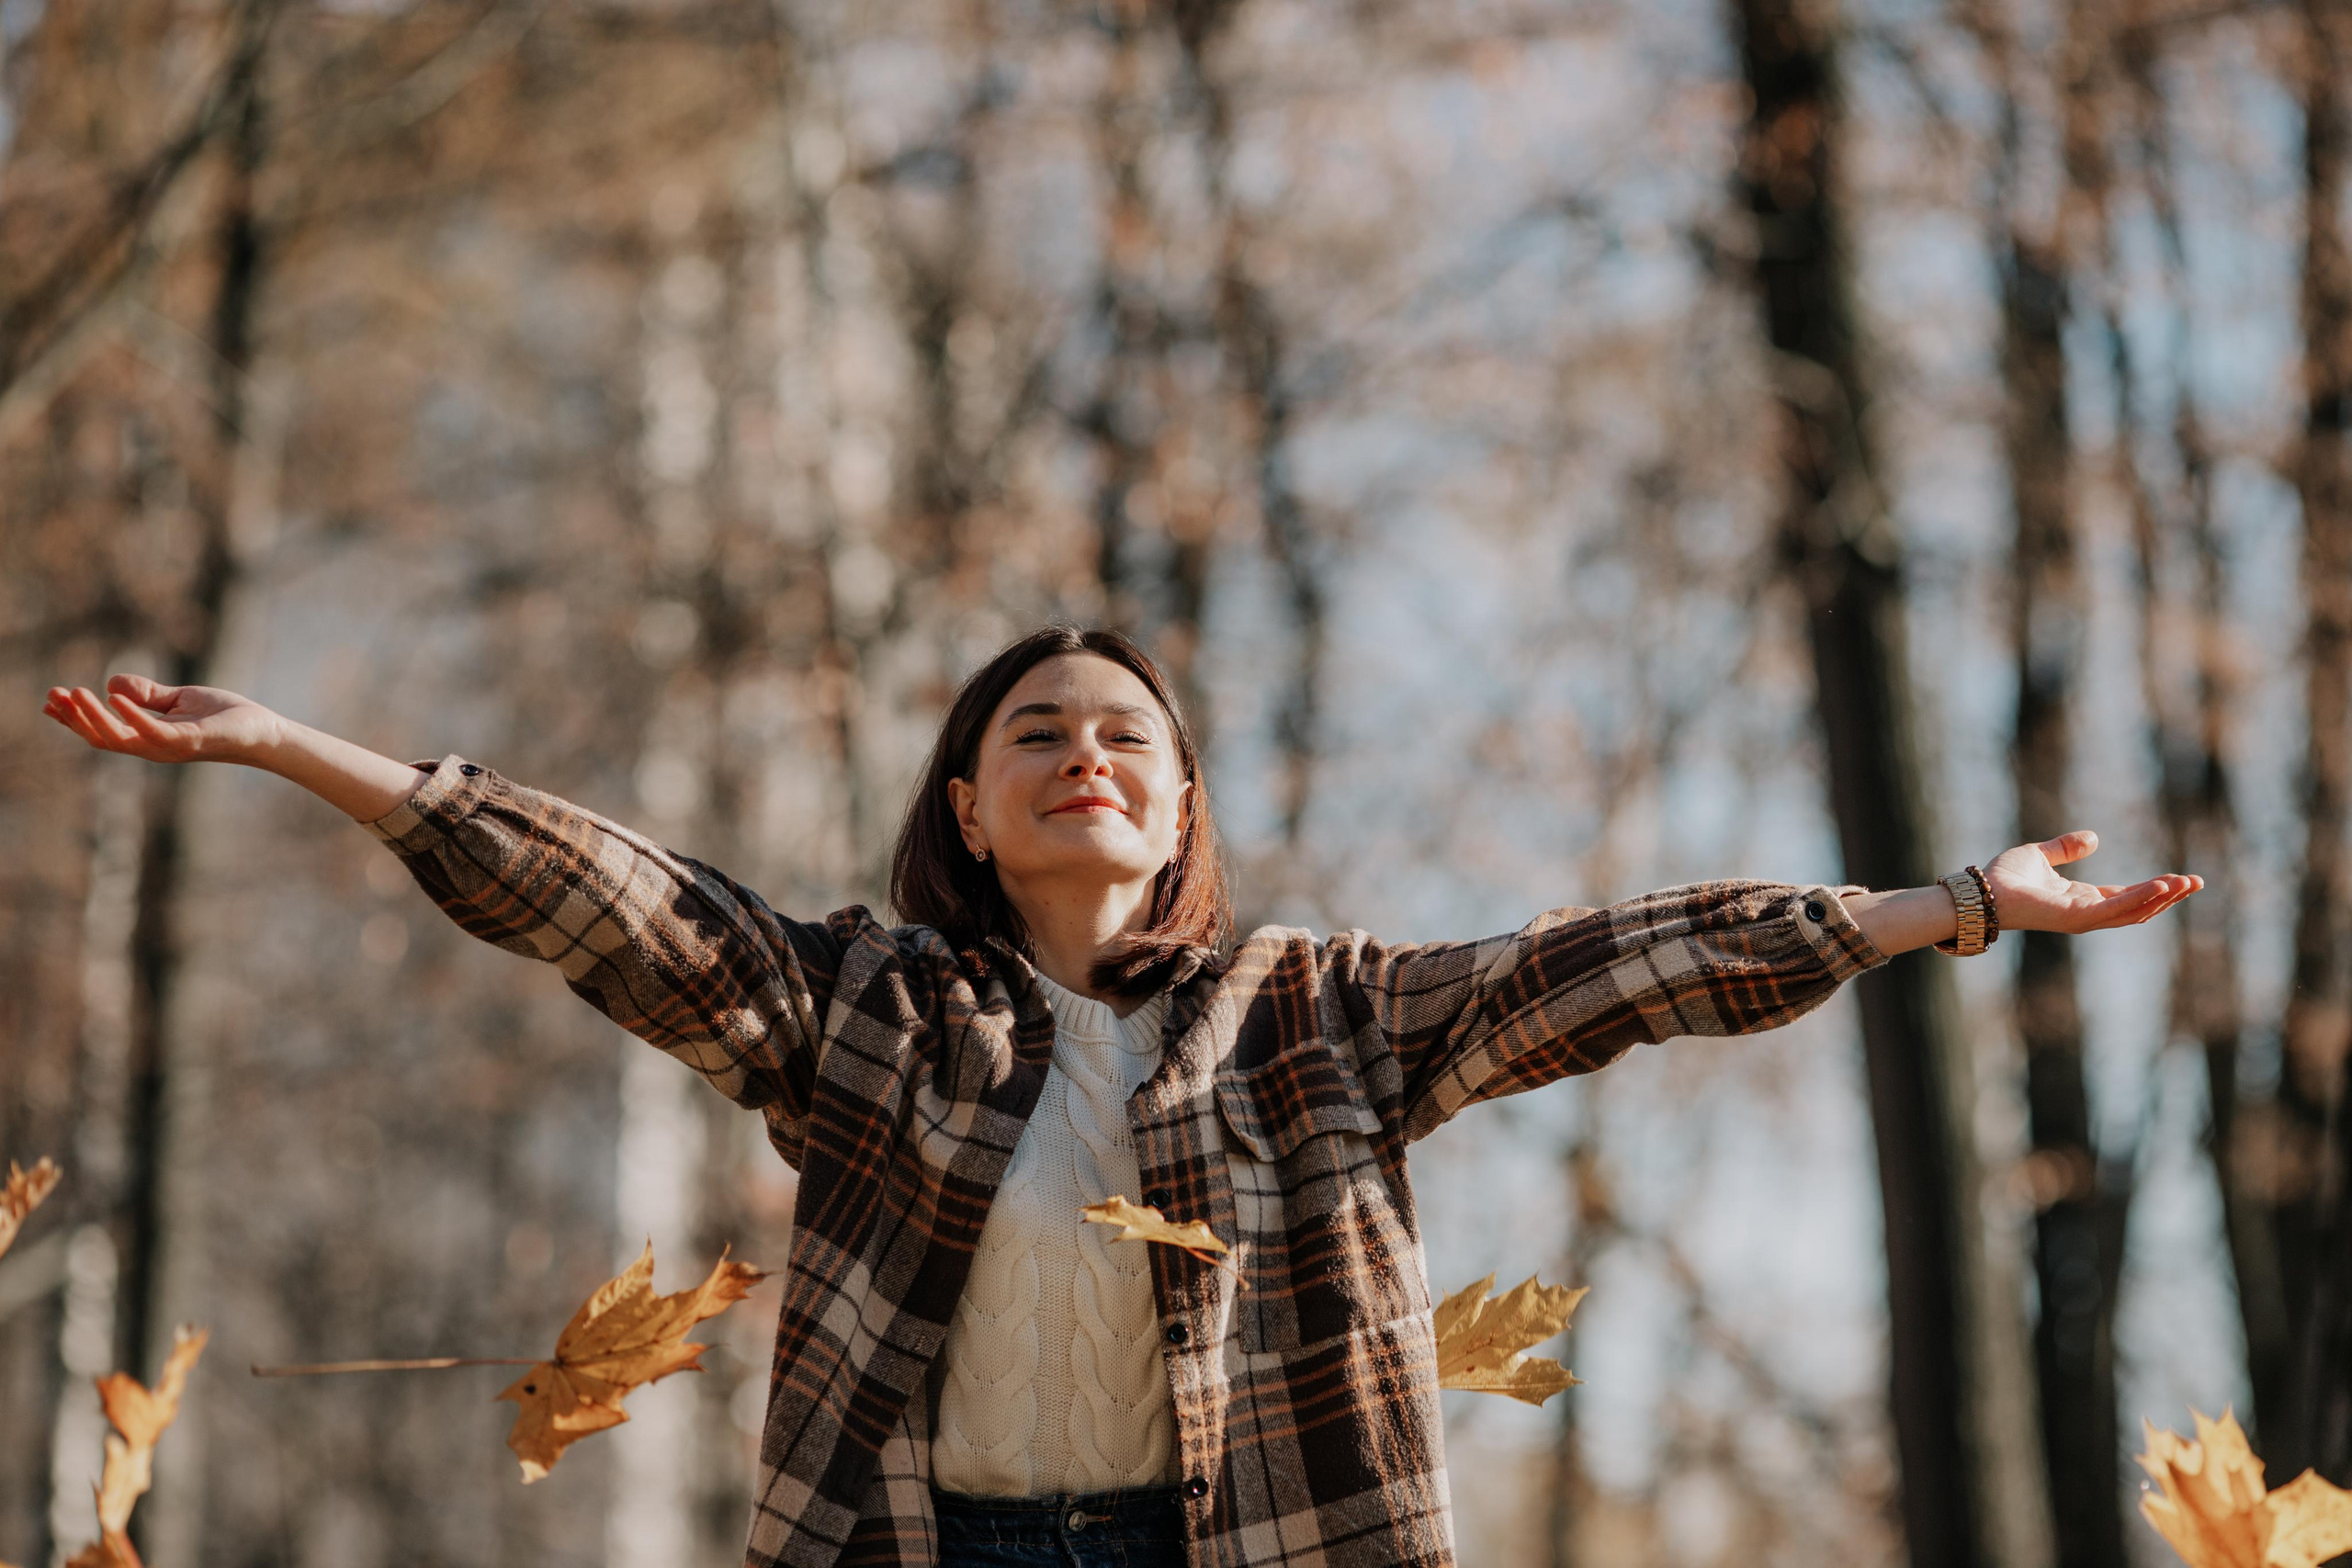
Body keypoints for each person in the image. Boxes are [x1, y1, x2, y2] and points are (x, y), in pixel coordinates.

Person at [42, 626, 2201, 1568]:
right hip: (935, 1548)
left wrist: (1941, 907)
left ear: (1175, 814)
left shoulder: (1323, 1017)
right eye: (1039, 735)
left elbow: (1614, 962)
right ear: (969, 811)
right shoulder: (866, 1011)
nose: (1088, 754)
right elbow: (612, 899)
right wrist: (297, 748)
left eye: (1129, 740)